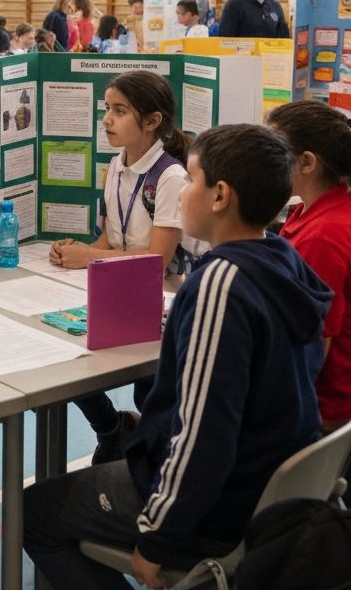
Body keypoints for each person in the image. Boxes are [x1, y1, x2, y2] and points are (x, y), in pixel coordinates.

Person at [25, 123, 331, 590]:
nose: (182, 191)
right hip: (270, 484)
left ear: (220, 196)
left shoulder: (220, 285)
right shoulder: (284, 261)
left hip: (218, 506)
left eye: (190, 180)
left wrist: (157, 537)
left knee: (33, 513)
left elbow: (204, 434)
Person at [50, 71, 206, 461]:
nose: (107, 119)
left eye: (120, 111)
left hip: (162, 301)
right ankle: (111, 427)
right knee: (64, 357)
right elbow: (109, 239)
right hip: (121, 290)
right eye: (107, 109)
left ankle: (145, 448)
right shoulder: (116, 165)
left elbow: (157, 261)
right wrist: (77, 252)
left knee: (146, 392)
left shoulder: (170, 177)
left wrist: (90, 257)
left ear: (152, 121)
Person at [269, 102, 351, 446]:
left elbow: (317, 343)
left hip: (323, 410)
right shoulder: (308, 211)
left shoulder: (323, 236)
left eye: (273, 151)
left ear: (306, 162)